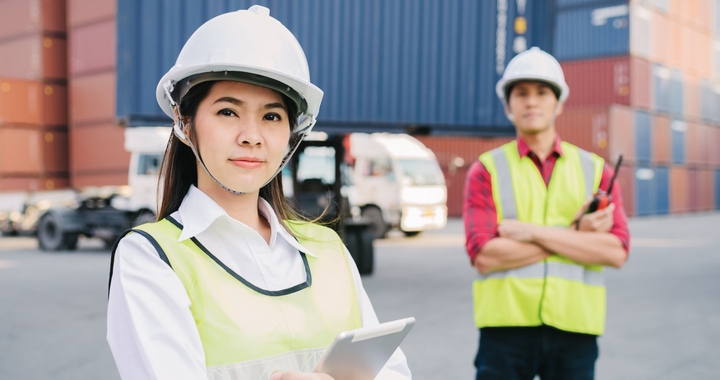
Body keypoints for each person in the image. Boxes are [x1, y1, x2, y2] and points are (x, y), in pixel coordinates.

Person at [106, 6, 411, 380]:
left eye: (271, 116)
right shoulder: (152, 257)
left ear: (290, 136)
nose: (252, 136)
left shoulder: (328, 249)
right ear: (185, 123)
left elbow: (392, 374)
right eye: (228, 112)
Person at [463, 47, 631, 380]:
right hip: (505, 328)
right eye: (521, 93)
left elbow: (616, 252)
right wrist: (576, 236)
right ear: (508, 105)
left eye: (542, 92)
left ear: (559, 103)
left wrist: (531, 231)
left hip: (575, 327)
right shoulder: (486, 170)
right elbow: (485, 255)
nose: (531, 101)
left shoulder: (596, 171)